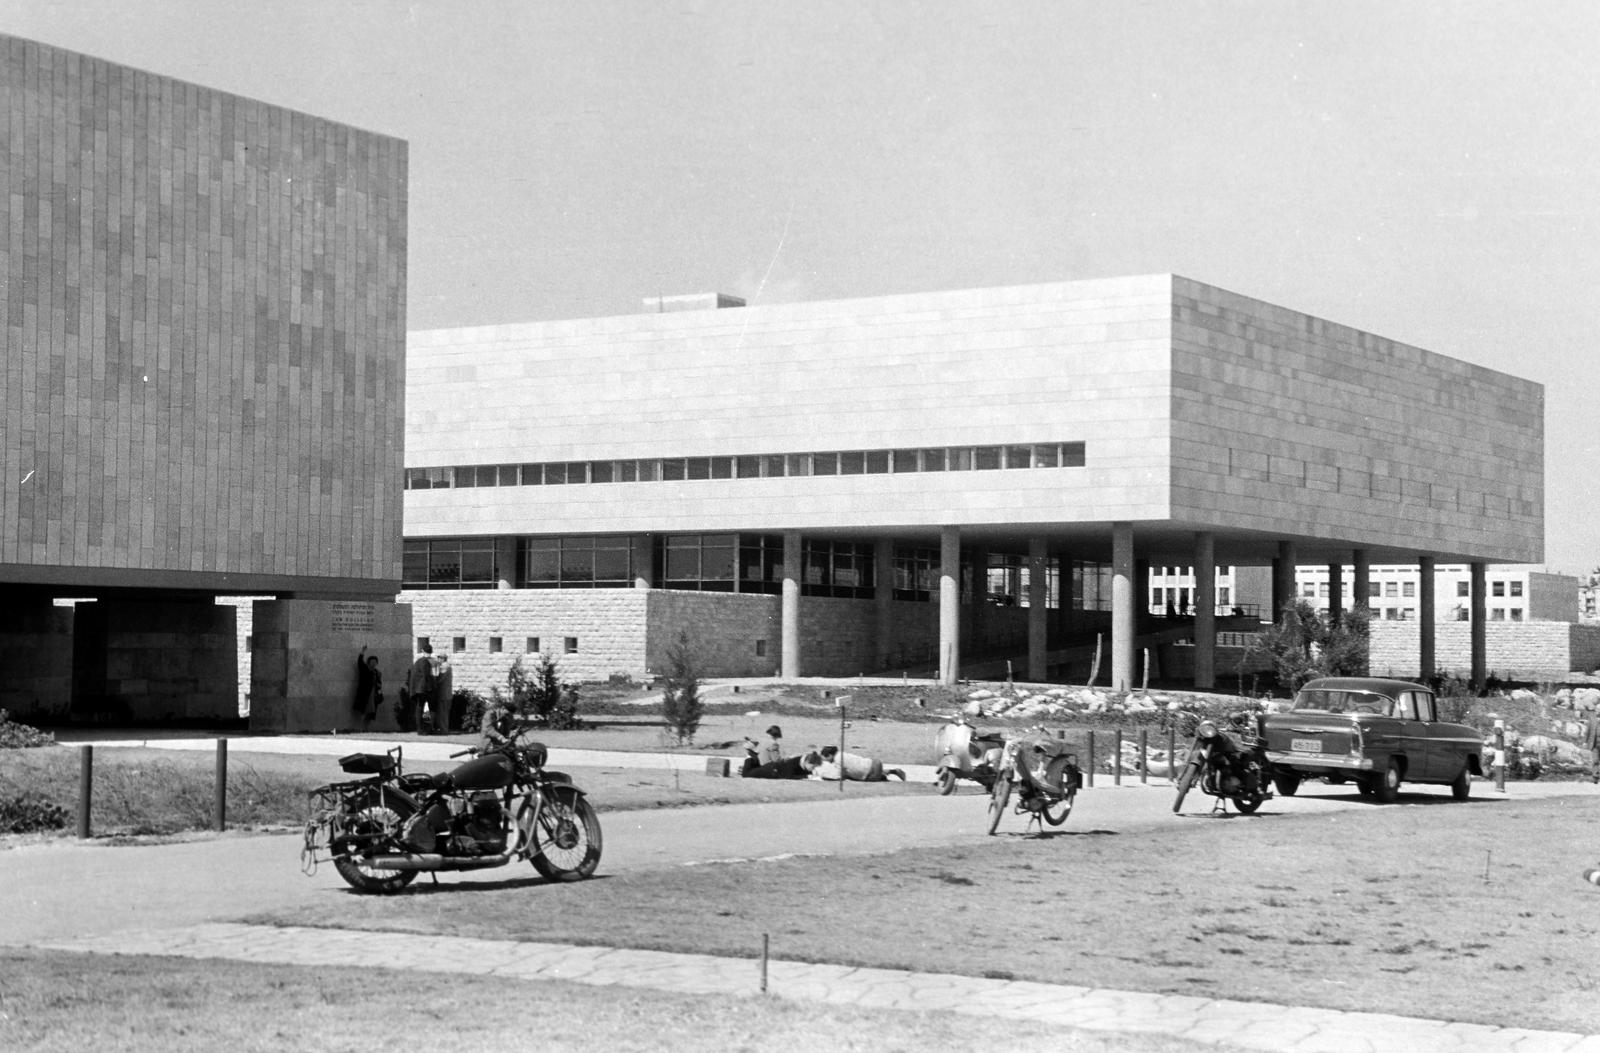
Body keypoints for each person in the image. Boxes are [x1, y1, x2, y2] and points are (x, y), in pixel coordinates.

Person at [817, 745, 905, 782]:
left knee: (849, 776)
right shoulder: (841, 754)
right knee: (851, 771)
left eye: (825, 759)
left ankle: (883, 777)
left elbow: (838, 776)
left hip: (872, 773)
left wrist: (825, 777)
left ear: (829, 755)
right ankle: (893, 771)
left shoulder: (837, 761)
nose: (826, 761)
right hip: (874, 762)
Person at [406, 644, 436, 735]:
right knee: (424, 709)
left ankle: (421, 729)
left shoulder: (419, 661)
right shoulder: (425, 662)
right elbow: (426, 675)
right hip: (423, 689)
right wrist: (431, 687)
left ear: (423, 651)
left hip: (418, 689)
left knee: (420, 709)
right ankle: (423, 729)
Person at [741, 750, 822, 779]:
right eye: (813, 766)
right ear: (807, 762)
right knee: (746, 774)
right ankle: (750, 758)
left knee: (753, 771)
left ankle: (755, 760)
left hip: (774, 770)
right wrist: (806, 776)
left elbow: (803, 772)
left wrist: (811, 774)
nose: (813, 768)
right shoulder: (793, 762)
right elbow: (789, 776)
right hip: (771, 770)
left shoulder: (804, 763)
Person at [352, 646, 382, 722]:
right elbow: (360, 662)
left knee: (371, 711)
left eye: (375, 662)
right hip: (364, 693)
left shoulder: (377, 673)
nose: (374, 663)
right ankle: (361, 727)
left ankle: (366, 727)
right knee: (363, 709)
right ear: (369, 662)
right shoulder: (365, 669)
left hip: (373, 694)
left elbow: (379, 683)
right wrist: (362, 651)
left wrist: (379, 689)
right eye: (372, 662)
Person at [1586, 710, 1600, 784]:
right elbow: (1588, 731)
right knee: (1595, 761)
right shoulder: (1592, 719)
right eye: (1597, 710)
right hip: (1594, 744)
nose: (1598, 712)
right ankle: (1595, 777)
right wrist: (1585, 741)